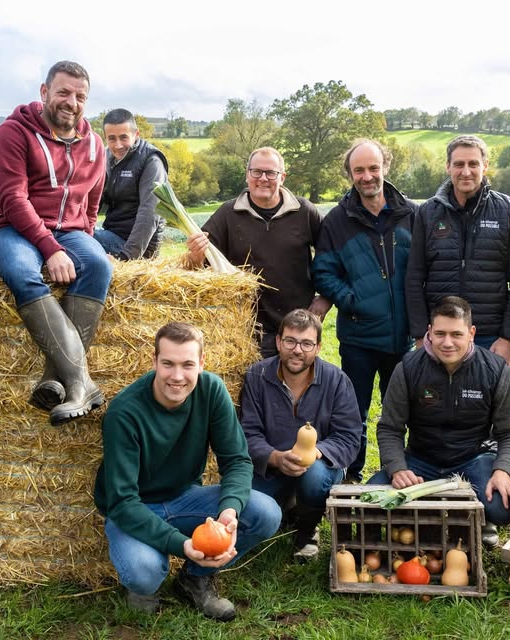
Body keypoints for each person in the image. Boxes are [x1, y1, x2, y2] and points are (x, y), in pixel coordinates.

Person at [93, 322, 281, 620]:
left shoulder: (211, 390)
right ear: (154, 361)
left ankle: (194, 578)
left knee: (266, 512)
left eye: (187, 365)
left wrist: (229, 511)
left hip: (184, 497)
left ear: (201, 363)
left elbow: (237, 460)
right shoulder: (125, 412)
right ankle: (144, 586)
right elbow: (122, 502)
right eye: (168, 363)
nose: (177, 376)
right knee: (144, 572)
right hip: (135, 508)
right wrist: (181, 545)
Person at [0, 60, 111, 425]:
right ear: (44, 92)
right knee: (22, 271)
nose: (72, 102)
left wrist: (85, 238)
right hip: (14, 229)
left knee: (99, 265)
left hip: (70, 231)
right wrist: (50, 248)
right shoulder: (12, 133)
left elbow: (92, 201)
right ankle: (81, 382)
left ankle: (54, 378)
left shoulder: (94, 144)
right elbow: (12, 198)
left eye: (80, 96)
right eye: (63, 93)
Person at [368, 296, 510, 548]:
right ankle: (400, 533)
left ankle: (481, 520)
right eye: (440, 334)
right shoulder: (408, 368)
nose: (447, 342)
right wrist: (397, 468)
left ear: (471, 333)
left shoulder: (495, 370)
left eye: (456, 334)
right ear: (429, 332)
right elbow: (390, 428)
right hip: (421, 459)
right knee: (372, 496)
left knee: (501, 508)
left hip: (473, 458)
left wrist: (503, 470)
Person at [312, 138, 418, 483]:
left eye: (374, 168)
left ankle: (396, 472)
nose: (367, 176)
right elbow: (323, 272)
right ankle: (350, 475)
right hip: (358, 337)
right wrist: (353, 299)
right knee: (353, 412)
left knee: (400, 412)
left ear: (385, 167)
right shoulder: (336, 221)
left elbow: (427, 267)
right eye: (359, 170)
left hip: (403, 337)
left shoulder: (411, 214)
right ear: (350, 174)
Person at [184, 147, 330, 358]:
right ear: (247, 175)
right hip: (246, 330)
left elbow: (332, 256)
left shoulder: (304, 211)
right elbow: (200, 267)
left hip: (297, 329)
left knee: (298, 379)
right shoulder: (227, 214)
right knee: (253, 380)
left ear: (282, 177)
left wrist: (325, 298)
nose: (263, 178)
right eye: (257, 172)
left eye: (271, 173)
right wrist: (195, 256)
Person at [239, 309, 360, 561]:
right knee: (244, 501)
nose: (297, 350)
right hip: (270, 466)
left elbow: (349, 436)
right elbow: (247, 432)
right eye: (290, 341)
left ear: (318, 347)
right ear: (278, 342)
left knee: (314, 476)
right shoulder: (257, 376)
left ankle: (307, 531)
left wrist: (316, 452)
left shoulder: (337, 380)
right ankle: (287, 504)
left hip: (318, 466)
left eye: (306, 344)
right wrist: (275, 457)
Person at [406, 135, 510, 366]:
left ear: (485, 166)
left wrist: (507, 338)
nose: (466, 171)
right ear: (448, 167)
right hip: (441, 336)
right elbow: (414, 276)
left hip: (490, 337)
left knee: (494, 391)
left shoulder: (508, 210)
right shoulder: (427, 212)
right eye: (458, 164)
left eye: (473, 164)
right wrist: (422, 335)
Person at [93, 108, 168, 260]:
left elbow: (150, 213)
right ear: (105, 138)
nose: (118, 145)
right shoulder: (107, 157)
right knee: (71, 235)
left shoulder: (151, 162)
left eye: (124, 137)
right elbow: (94, 199)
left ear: (136, 134)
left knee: (76, 241)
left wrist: (126, 258)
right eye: (112, 139)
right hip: (111, 233)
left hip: (136, 248)